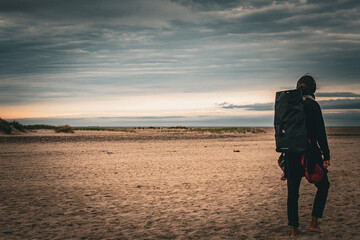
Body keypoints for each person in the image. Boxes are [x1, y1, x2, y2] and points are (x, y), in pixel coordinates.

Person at [285, 75, 330, 237]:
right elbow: (320, 133)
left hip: (291, 153)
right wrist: (326, 155)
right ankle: (313, 223)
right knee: (323, 186)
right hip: (310, 153)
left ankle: (294, 230)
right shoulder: (313, 105)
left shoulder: (289, 106)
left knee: (293, 192)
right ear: (313, 88)